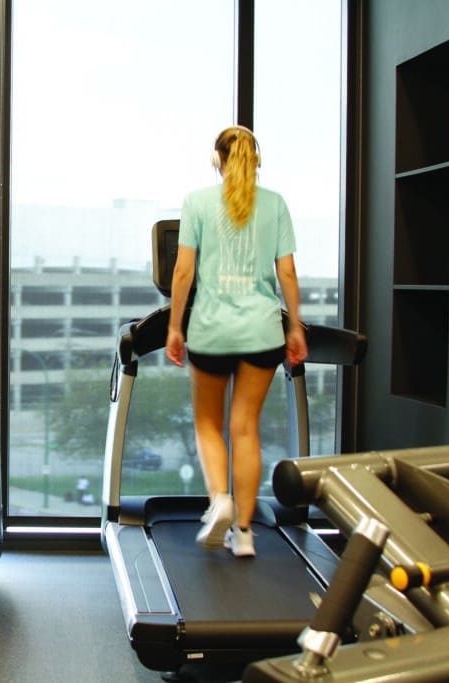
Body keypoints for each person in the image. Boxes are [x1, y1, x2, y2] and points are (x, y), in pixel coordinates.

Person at [165, 125, 307, 558]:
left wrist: (175, 327)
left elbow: (184, 273)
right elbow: (287, 274)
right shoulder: (276, 205)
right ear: (255, 160)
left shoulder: (197, 203)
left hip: (211, 331)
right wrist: (295, 326)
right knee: (245, 428)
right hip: (263, 331)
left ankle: (220, 500)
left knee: (208, 423)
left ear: (218, 160)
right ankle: (243, 532)